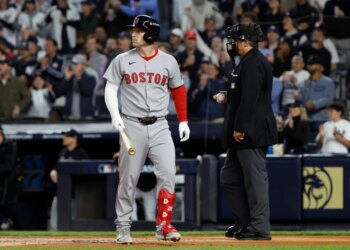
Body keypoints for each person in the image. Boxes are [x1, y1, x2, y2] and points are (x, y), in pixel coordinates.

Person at [103, 15, 190, 244]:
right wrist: (115, 114)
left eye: (138, 30)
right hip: (132, 124)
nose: (133, 34)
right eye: (133, 30)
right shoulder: (122, 60)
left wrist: (183, 120)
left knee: (168, 173)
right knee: (128, 179)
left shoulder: (168, 61)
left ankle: (164, 226)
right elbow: (110, 89)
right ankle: (123, 227)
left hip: (161, 124)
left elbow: (178, 90)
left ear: (150, 33)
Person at [213, 23, 278, 240]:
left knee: (255, 181)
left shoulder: (254, 63)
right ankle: (244, 223)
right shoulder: (246, 62)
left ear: (244, 41)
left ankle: (259, 228)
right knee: (230, 177)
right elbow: (245, 94)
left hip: (250, 131)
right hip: (241, 132)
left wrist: (239, 127)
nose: (231, 43)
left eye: (235, 39)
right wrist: (228, 96)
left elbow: (251, 100)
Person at [48, 129, 88, 231]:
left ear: (74, 138)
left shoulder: (81, 153)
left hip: (75, 192)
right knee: (55, 216)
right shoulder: (63, 152)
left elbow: (85, 174)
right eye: (64, 136)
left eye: (67, 136)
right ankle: (53, 240)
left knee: (74, 217)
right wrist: (53, 171)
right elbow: (57, 167)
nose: (64, 138)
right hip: (61, 190)